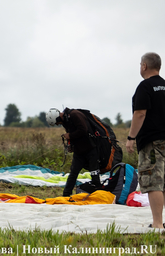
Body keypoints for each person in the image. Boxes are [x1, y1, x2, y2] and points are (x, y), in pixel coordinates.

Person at [126, 52, 165, 229]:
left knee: (154, 181)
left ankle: (157, 223)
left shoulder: (145, 86)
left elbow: (140, 113)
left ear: (144, 66)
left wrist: (131, 137)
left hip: (152, 142)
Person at [47, 107, 122, 197]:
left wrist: (70, 135)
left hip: (91, 149)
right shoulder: (66, 120)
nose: (58, 124)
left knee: (94, 173)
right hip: (79, 152)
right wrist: (71, 146)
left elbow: (83, 130)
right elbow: (75, 134)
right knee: (73, 174)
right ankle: (66, 195)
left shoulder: (75, 114)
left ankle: (99, 195)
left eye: (57, 122)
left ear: (58, 118)